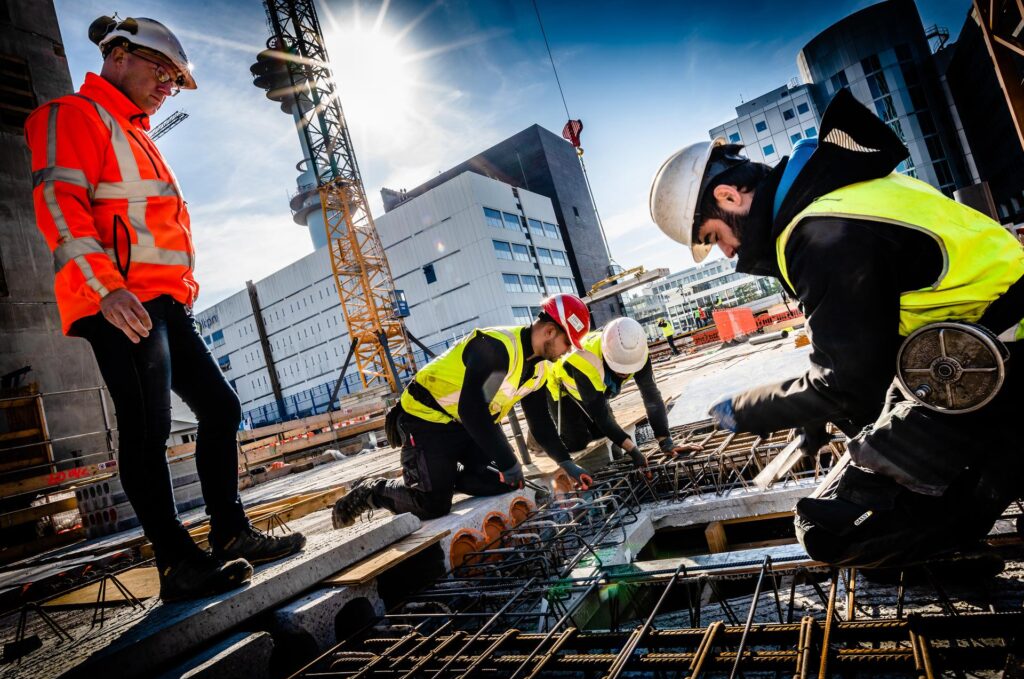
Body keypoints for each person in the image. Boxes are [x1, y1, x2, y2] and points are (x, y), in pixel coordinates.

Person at [648, 88, 1024, 569]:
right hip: (984, 356)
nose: (725, 253)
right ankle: (972, 493)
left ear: (728, 197)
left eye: (713, 237)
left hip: (994, 376)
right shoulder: (844, 193)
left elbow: (847, 384)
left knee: (827, 530)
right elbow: (866, 350)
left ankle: (959, 523)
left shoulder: (819, 233)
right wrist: (812, 417)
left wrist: (744, 410)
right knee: (863, 427)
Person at [26, 16, 305, 602]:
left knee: (221, 409)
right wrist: (105, 286)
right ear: (119, 55)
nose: (167, 87)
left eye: (175, 81)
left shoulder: (136, 132)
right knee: (147, 430)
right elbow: (59, 200)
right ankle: (177, 563)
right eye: (163, 73)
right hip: (120, 301)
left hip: (162, 300)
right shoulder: (73, 116)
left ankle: (230, 536)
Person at [332, 294, 594, 527]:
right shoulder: (497, 348)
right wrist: (508, 461)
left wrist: (566, 463)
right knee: (433, 504)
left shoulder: (539, 369)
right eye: (568, 342)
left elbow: (540, 422)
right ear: (549, 331)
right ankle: (369, 492)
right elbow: (472, 409)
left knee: (508, 480)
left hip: (466, 425)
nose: (568, 350)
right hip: (426, 419)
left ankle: (440, 476)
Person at [547, 317, 700, 471]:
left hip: (595, 391)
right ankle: (538, 439)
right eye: (619, 370)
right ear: (607, 355)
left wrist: (665, 441)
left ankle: (583, 424)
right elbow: (600, 415)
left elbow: (651, 396)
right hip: (562, 389)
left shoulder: (637, 352)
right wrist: (633, 451)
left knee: (601, 433)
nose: (624, 374)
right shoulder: (583, 360)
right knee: (577, 442)